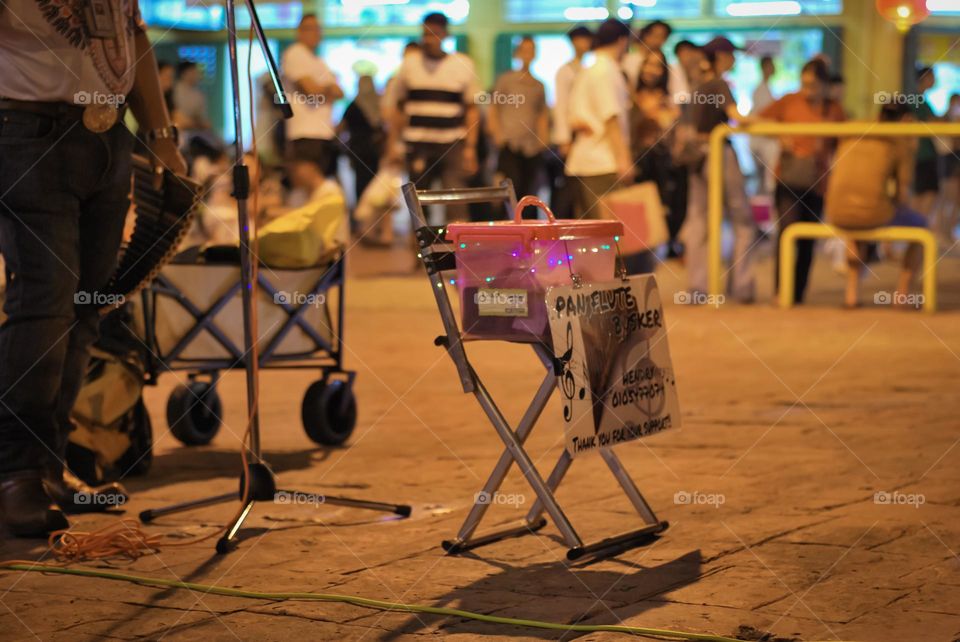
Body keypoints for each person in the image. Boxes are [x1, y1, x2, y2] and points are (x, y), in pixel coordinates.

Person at [0, 0, 186, 536]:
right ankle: (16, 474)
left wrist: (160, 134)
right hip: (28, 130)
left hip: (107, 136)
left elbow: (134, 35)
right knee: (45, 304)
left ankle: (50, 466)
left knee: (88, 308)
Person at [760, 58, 845, 304]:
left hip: (817, 182)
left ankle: (798, 294)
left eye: (814, 85)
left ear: (825, 85)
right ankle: (782, 291)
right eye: (804, 84)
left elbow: (843, 143)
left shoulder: (834, 109)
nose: (808, 90)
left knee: (808, 240)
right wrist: (780, 134)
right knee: (787, 233)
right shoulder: (789, 101)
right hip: (788, 178)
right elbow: (759, 120)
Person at [825, 104, 926, 308]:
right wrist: (911, 145)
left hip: (835, 211)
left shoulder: (854, 130)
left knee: (858, 225)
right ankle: (902, 296)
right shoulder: (899, 142)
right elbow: (902, 194)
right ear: (906, 120)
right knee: (922, 227)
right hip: (871, 213)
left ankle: (851, 295)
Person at [679, 36, 756, 303]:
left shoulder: (696, 85)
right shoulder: (719, 84)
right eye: (731, 54)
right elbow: (737, 115)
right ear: (721, 56)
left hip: (696, 159)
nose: (734, 59)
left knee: (699, 221)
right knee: (742, 219)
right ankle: (742, 285)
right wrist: (763, 121)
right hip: (719, 154)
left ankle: (697, 288)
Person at [383, 12, 480, 222]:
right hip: (418, 144)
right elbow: (397, 108)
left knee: (455, 200)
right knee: (417, 205)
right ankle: (422, 252)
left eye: (434, 34)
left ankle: (455, 252)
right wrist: (393, 144)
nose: (428, 39)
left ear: (445, 35)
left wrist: (470, 148)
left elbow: (472, 109)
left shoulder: (462, 64)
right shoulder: (409, 64)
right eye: (425, 34)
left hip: (452, 144)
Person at [565, 19, 633, 219]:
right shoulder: (606, 71)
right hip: (603, 162)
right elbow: (611, 117)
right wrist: (624, 160)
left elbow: (574, 117)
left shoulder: (588, 69)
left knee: (593, 234)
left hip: (586, 160)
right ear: (622, 40)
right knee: (609, 234)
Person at [488, 36, 549, 218]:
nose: (527, 55)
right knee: (508, 190)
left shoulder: (539, 85)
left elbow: (542, 115)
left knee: (529, 191)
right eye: (524, 50)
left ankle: (529, 232)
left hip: (531, 146)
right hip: (509, 144)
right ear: (517, 53)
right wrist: (497, 135)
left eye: (531, 50)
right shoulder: (505, 80)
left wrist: (543, 141)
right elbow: (494, 109)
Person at [282, 14, 344, 178]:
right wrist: (327, 88)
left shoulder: (319, 61)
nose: (315, 33)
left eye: (318, 29)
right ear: (299, 32)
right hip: (305, 134)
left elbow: (339, 92)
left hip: (323, 134)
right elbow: (311, 91)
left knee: (323, 190)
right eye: (310, 29)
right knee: (308, 189)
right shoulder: (295, 53)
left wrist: (322, 88)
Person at [550, 25, 593, 217]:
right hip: (571, 136)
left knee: (581, 183)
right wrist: (564, 138)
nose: (582, 44)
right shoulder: (564, 71)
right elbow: (561, 106)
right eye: (578, 40)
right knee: (567, 185)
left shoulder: (588, 69)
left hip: (585, 134)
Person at [340, 75, 385, 213]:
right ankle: (374, 218)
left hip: (358, 151)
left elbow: (341, 127)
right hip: (376, 151)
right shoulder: (380, 104)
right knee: (375, 185)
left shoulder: (353, 106)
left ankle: (362, 218)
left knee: (360, 183)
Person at [911, 67, 939, 218]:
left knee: (922, 193)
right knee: (925, 193)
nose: (935, 80)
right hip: (922, 156)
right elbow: (932, 123)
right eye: (932, 77)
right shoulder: (917, 100)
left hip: (923, 155)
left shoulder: (920, 100)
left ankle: (916, 234)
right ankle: (916, 232)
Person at [749, 56, 779, 197]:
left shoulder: (766, 89)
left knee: (764, 181)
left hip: (764, 139)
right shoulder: (760, 90)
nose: (774, 68)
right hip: (762, 140)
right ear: (765, 67)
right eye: (771, 65)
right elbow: (762, 116)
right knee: (767, 180)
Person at [621, 19, 671, 94]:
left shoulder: (668, 64)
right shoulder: (628, 60)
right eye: (656, 35)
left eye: (663, 37)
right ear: (646, 35)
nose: (659, 41)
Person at [173, 61, 211, 131]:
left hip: (194, 130)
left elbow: (202, 118)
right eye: (194, 72)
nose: (197, 75)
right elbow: (177, 118)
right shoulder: (174, 90)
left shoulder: (199, 94)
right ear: (184, 73)